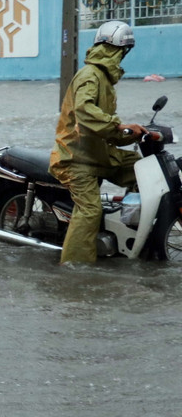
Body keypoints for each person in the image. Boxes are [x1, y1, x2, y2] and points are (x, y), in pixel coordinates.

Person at [48, 20, 148, 264]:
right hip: (75, 159)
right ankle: (74, 268)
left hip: (97, 154)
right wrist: (120, 125)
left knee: (142, 170)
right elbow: (85, 112)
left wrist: (131, 134)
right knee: (91, 210)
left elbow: (104, 129)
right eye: (122, 51)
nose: (123, 57)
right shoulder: (90, 76)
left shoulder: (105, 80)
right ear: (113, 49)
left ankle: (130, 235)